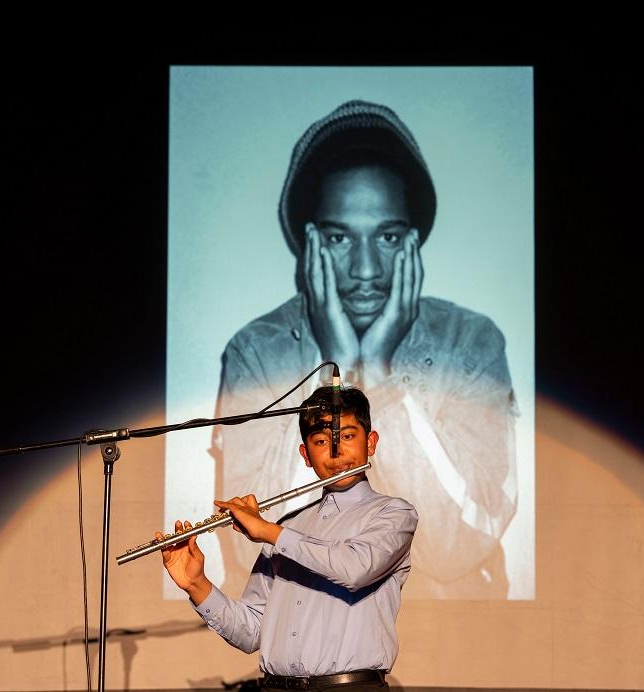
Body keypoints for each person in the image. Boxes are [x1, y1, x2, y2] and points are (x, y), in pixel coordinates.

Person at [210, 99, 518, 598]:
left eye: (388, 237)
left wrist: (377, 375)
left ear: (413, 241)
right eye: (339, 237)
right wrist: (333, 368)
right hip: (308, 642)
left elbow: (464, 545)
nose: (367, 270)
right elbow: (252, 550)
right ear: (310, 241)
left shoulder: (472, 341)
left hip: (452, 641)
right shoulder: (256, 352)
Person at [162, 386, 417, 691]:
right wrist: (196, 584)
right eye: (321, 442)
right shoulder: (289, 526)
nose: (336, 452)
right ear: (306, 455)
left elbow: (355, 568)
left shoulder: (394, 513)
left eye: (348, 436)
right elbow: (251, 632)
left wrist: (268, 531)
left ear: (370, 443)